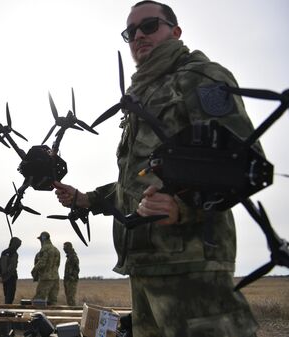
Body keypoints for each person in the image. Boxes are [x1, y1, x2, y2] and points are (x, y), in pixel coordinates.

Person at [54, 2, 259, 336]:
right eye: (130, 31)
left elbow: (242, 164)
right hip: (145, 264)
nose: (138, 36)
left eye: (149, 26)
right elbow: (136, 184)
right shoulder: (142, 97)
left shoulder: (201, 78)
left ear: (175, 31)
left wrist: (183, 207)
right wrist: (86, 198)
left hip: (189, 266)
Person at [31, 231, 60, 305]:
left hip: (46, 278)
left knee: (39, 300)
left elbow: (42, 263)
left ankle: (38, 317)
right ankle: (52, 316)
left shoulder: (45, 249)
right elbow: (57, 264)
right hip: (55, 278)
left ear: (43, 239)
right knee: (53, 301)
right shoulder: (56, 250)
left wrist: (34, 270)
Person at [0, 236, 21, 304]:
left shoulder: (4, 252)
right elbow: (12, 267)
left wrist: (0, 275)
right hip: (11, 277)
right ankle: (8, 312)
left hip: (4, 278)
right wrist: (6, 275)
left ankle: (6, 309)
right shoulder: (15, 254)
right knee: (10, 297)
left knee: (6, 295)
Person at [63, 241, 79, 306]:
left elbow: (77, 269)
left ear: (69, 247)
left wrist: (71, 277)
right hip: (67, 280)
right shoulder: (69, 256)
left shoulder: (73, 257)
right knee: (69, 298)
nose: (64, 249)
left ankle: (74, 311)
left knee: (71, 298)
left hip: (71, 281)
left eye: (65, 247)